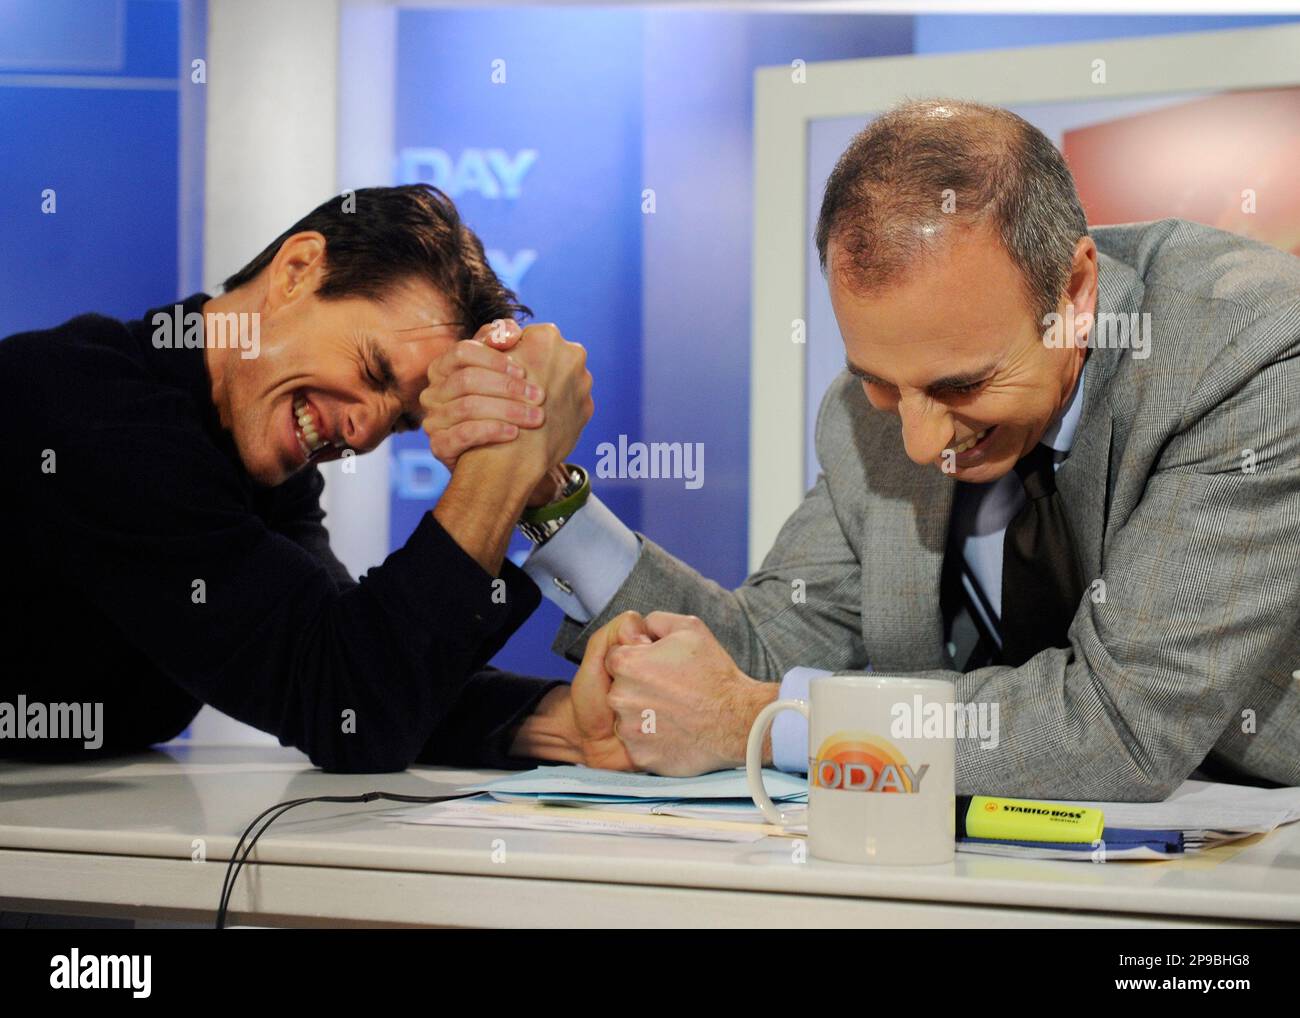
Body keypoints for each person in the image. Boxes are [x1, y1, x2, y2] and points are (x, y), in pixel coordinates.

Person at [428, 100, 1300, 800]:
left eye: (961, 386)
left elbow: (1118, 726)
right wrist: (544, 495)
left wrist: (763, 721)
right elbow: (765, 651)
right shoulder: (864, 412)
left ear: (1074, 293)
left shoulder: (1247, 353)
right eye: (882, 383)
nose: (920, 441)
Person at [0, 183, 619, 773]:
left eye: (402, 421)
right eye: (376, 370)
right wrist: (507, 457)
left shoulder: (254, 461)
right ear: (297, 272)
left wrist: (568, 723)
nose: (364, 434)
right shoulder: (87, 408)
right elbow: (351, 705)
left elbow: (357, 667)